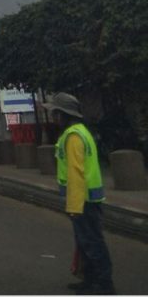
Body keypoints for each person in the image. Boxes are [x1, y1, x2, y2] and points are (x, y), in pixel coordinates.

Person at [44, 93, 114, 295]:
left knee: (92, 242)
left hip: (83, 199)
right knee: (85, 242)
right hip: (88, 197)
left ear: (62, 115)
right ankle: (90, 280)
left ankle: (104, 283)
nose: (54, 118)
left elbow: (76, 173)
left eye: (55, 113)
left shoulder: (73, 136)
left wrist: (74, 207)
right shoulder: (80, 131)